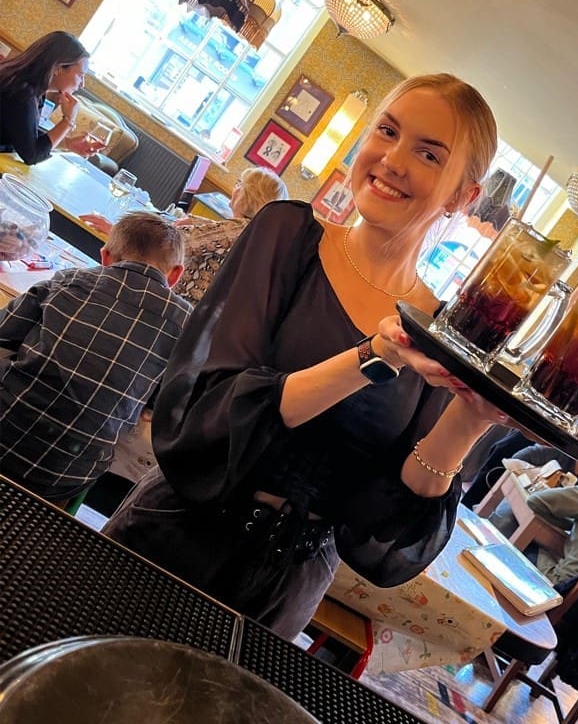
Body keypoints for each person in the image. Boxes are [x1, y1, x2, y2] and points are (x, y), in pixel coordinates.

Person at [101, 73, 508, 639]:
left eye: (428, 153)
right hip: (174, 537)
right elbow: (206, 411)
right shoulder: (287, 235)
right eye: (387, 132)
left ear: (463, 198)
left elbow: (385, 528)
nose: (392, 159)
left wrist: (470, 421)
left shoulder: (442, 336)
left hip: (284, 592)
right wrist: (371, 356)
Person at [0, 212, 192, 504]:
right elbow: (165, 404)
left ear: (105, 256)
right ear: (175, 275)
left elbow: (5, 329)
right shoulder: (186, 326)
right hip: (67, 474)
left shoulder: (69, 279)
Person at [81, 166, 290, 304]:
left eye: (239, 184)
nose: (234, 189)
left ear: (247, 194)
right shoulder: (256, 232)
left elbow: (163, 246)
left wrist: (114, 230)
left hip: (171, 302)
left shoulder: (239, 230)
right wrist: (196, 222)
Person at [0, 31, 101, 165]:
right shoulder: (22, 93)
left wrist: (67, 143)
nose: (82, 84)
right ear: (58, 68)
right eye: (80, 75)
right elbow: (32, 155)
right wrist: (68, 120)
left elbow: (25, 133)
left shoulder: (28, 86)